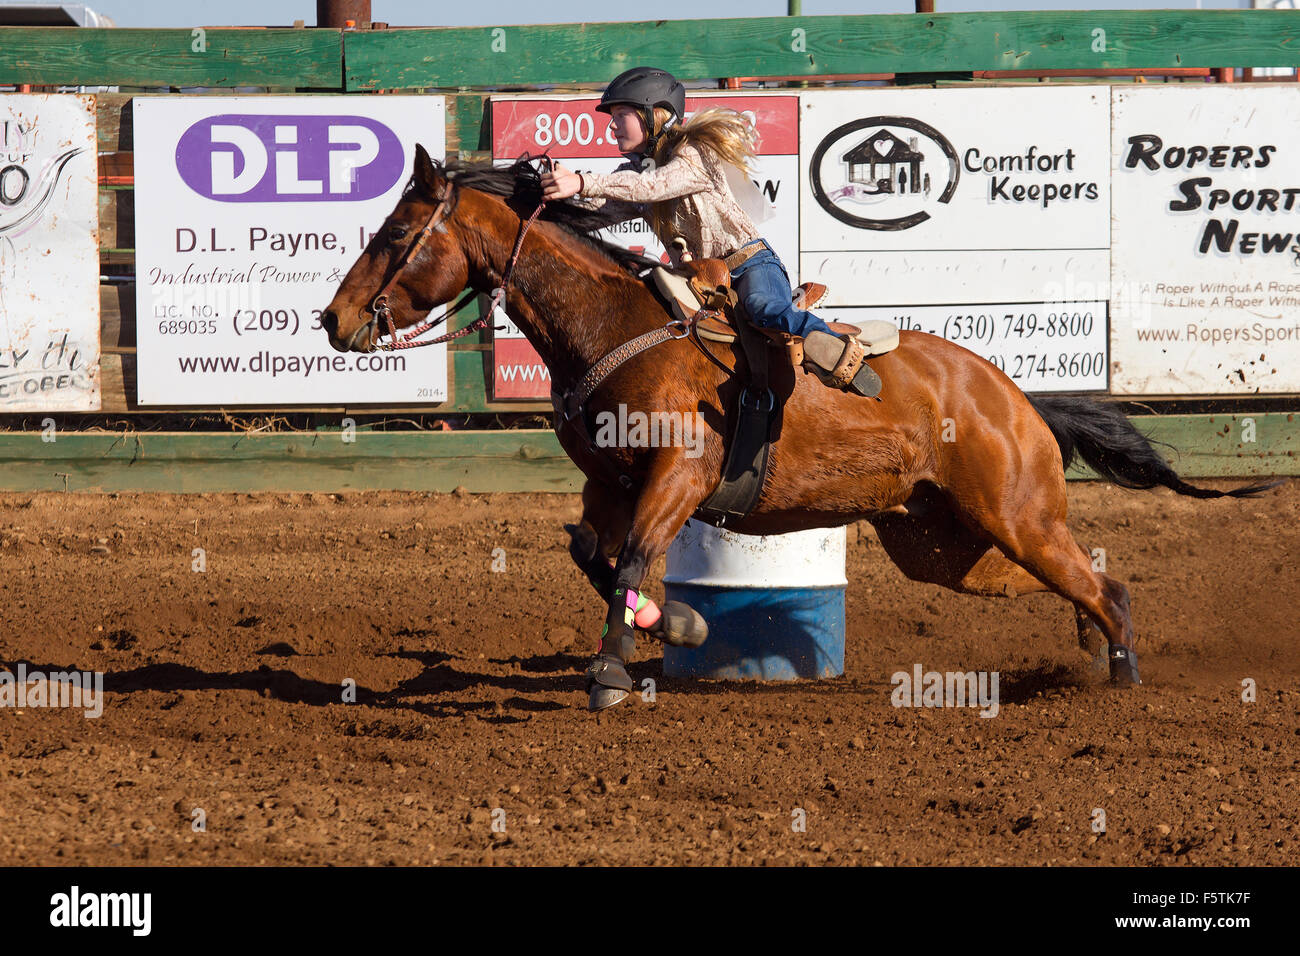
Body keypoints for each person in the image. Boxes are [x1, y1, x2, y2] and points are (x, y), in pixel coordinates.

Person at [539, 66, 878, 396]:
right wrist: (545, 198)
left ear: (653, 114)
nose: (612, 126)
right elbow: (598, 211)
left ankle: (842, 355)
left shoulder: (694, 153)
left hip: (750, 265)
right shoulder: (636, 172)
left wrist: (582, 181)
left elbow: (653, 186)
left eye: (621, 114)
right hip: (700, 280)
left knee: (761, 307)